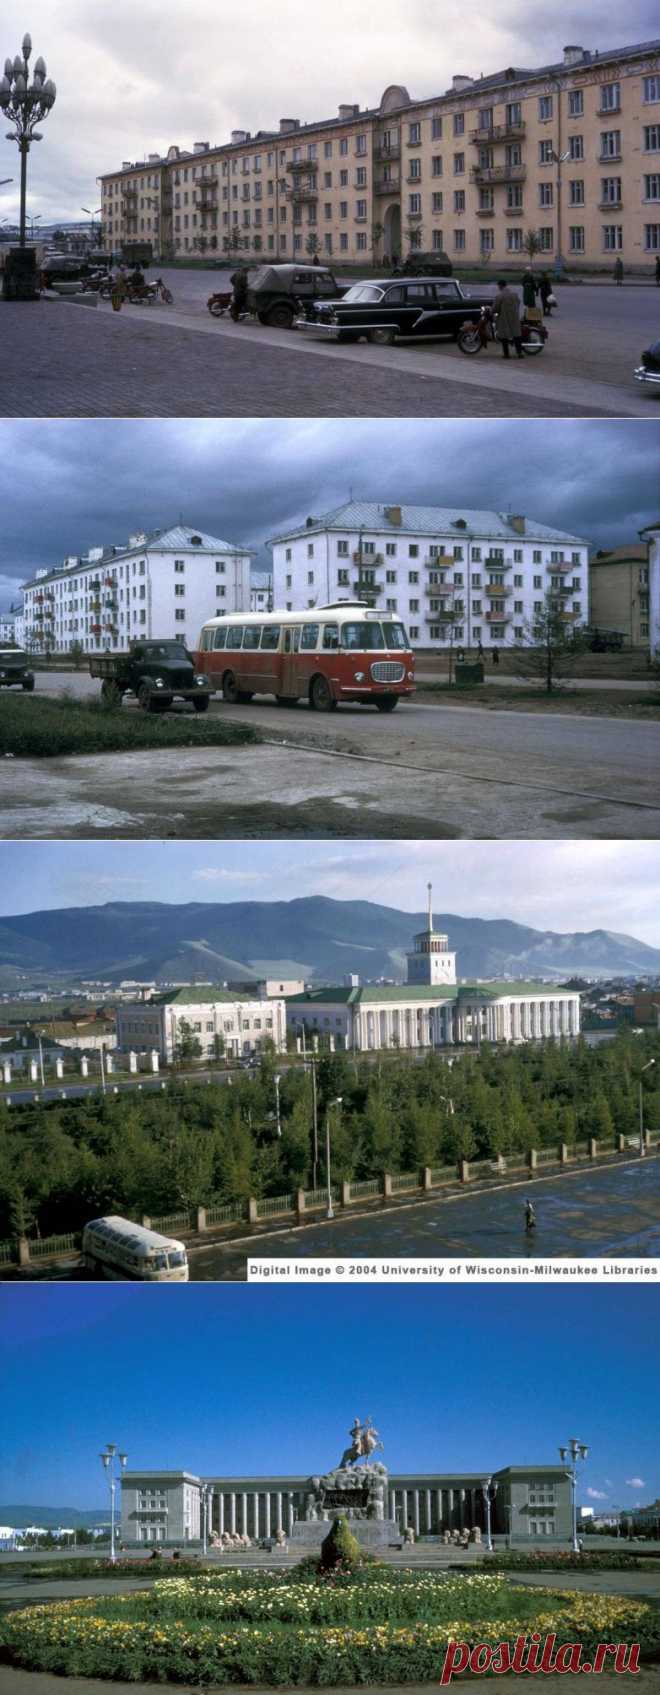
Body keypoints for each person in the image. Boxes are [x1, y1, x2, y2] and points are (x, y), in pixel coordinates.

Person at [493, 279, 524, 358]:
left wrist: (492, 311)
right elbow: (518, 303)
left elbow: (495, 308)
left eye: (498, 286)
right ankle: (519, 353)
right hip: (514, 317)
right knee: (516, 335)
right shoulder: (514, 294)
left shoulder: (499, 296)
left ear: (500, 286)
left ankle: (506, 354)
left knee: (504, 336)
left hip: (504, 318)